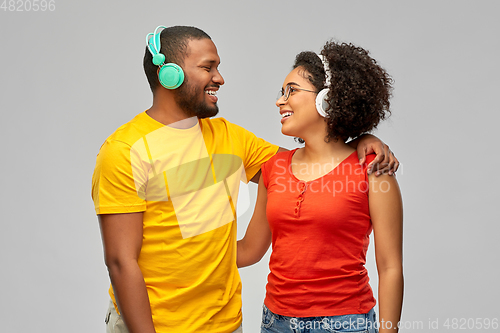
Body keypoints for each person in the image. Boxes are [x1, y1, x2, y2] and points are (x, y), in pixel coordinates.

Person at [91, 26, 399, 333]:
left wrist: (362, 140)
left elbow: (314, 163)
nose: (219, 78)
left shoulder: (230, 138)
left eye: (218, 67)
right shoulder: (125, 151)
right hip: (155, 325)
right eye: (207, 67)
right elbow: (120, 263)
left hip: (225, 325)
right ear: (170, 75)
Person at [237, 41, 404, 333]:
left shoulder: (373, 169)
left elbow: (390, 267)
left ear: (327, 99)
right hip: (275, 323)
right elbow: (250, 250)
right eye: (281, 92)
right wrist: (183, 247)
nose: (280, 100)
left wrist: (388, 331)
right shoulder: (272, 168)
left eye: (292, 90)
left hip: (344, 324)